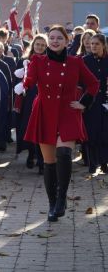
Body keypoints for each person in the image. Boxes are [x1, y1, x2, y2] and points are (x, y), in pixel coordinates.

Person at [15, 25, 99, 222]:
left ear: (67, 41)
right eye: (51, 38)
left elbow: (93, 83)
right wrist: (23, 83)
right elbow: (30, 81)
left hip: (68, 112)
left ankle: (62, 199)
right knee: (49, 163)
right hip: (45, 112)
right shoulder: (37, 60)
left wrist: (84, 103)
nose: (54, 41)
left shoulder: (75, 62)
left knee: (64, 153)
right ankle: (52, 203)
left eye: (59, 38)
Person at [13, 34, 48, 174]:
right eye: (37, 44)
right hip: (27, 100)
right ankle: (31, 154)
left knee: (42, 130)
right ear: (33, 45)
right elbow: (16, 80)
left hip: (43, 99)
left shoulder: (49, 60)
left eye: (43, 45)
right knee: (28, 128)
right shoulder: (23, 61)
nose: (39, 47)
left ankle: (41, 160)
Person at [82, 34, 108, 174]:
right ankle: (93, 163)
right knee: (91, 134)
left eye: (97, 44)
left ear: (103, 45)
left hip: (105, 101)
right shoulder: (85, 61)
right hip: (91, 103)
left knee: (105, 133)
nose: (93, 46)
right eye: (92, 44)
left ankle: (104, 162)